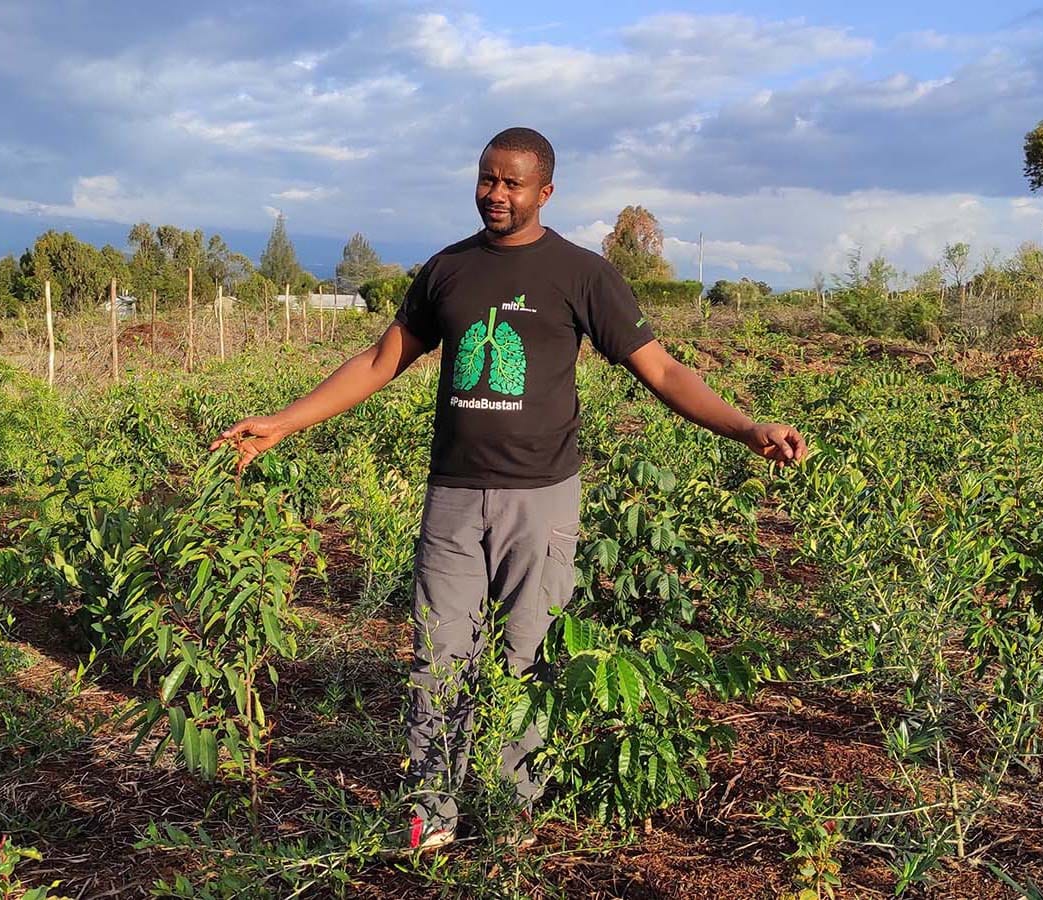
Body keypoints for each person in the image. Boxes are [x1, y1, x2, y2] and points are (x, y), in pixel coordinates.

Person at [211, 126, 807, 854]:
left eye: (511, 183)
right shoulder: (447, 269)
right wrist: (284, 421)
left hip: (542, 497)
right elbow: (378, 360)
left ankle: (509, 806)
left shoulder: (582, 274)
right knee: (439, 653)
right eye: (486, 179)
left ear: (544, 191)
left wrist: (747, 427)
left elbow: (665, 372)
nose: (495, 194)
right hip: (454, 494)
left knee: (527, 654)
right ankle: (432, 809)